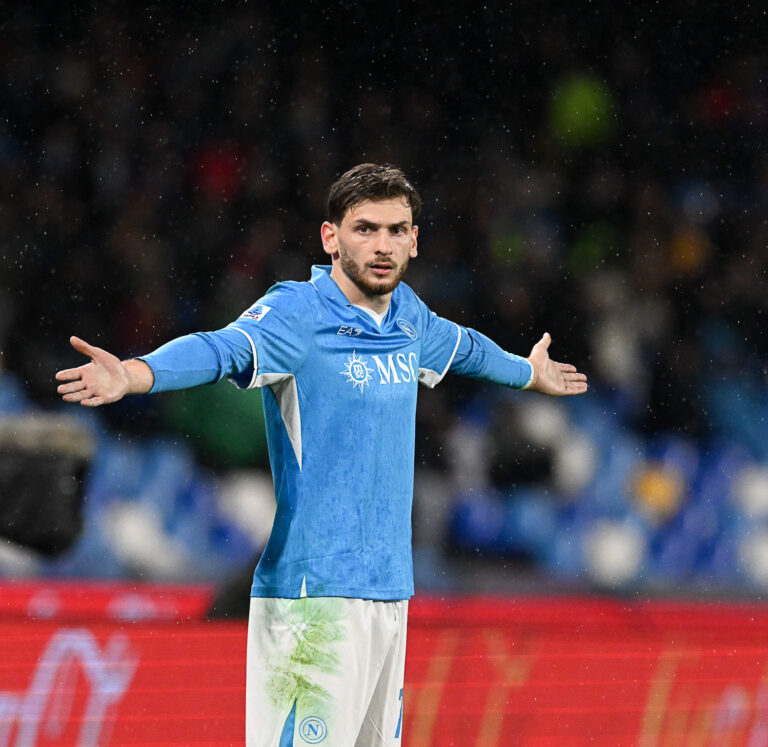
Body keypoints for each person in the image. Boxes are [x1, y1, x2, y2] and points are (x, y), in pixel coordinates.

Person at [56, 163, 587, 746]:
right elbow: (222, 348)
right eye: (364, 229)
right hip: (313, 598)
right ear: (330, 237)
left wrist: (526, 373)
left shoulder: (409, 316)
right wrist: (135, 374)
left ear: (414, 240)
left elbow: (464, 348)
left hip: (388, 589)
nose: (382, 246)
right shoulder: (297, 315)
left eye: (396, 230)